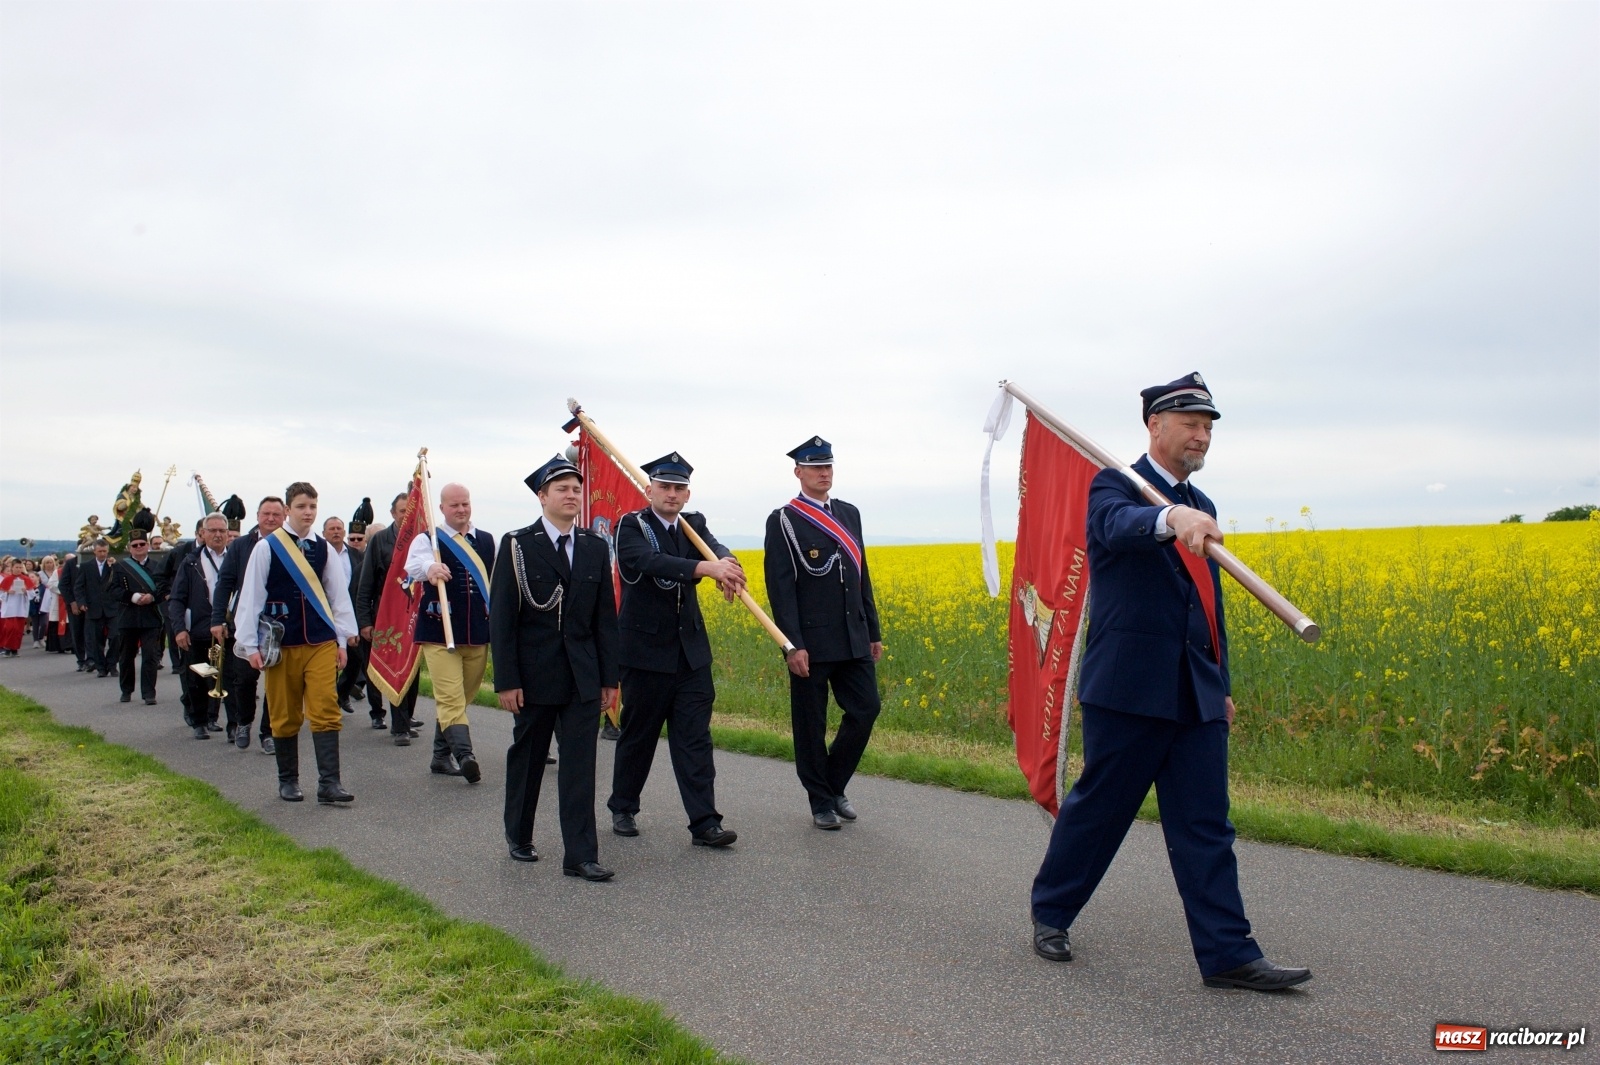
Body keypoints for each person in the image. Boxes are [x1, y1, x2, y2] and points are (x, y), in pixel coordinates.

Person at [1029, 373, 1311, 993]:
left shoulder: (1202, 506)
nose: (1201, 434)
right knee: (1102, 811)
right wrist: (1168, 517)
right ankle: (1051, 911)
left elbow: (1209, 606)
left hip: (1196, 691)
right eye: (1189, 422)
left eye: (1208, 425)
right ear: (1154, 425)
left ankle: (1229, 955)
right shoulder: (1112, 486)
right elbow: (1112, 528)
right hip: (1129, 690)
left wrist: (1223, 683)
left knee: (1206, 825)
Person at [490, 454, 619, 880]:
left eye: (576, 489)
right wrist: (507, 680)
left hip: (582, 676)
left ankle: (581, 855)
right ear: (542, 496)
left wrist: (609, 679)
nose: (571, 495)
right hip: (534, 676)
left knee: (580, 766)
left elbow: (604, 620)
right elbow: (503, 620)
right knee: (528, 759)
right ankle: (519, 834)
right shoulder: (518, 545)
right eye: (561, 488)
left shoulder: (595, 547)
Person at [607, 453, 743, 848]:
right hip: (645, 654)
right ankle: (624, 806)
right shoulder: (631, 525)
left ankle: (705, 822)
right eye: (664, 487)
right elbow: (646, 561)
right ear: (649, 490)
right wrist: (706, 570)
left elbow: (714, 547)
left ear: (687, 494)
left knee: (695, 739)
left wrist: (727, 563)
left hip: (691, 655)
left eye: (678, 488)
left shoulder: (693, 525)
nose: (671, 494)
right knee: (639, 735)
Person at [763, 436, 884, 829]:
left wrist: (873, 630)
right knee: (811, 725)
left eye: (828, 466)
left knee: (866, 710)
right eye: (816, 467)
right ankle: (820, 801)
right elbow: (781, 589)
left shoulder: (849, 513)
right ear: (799, 472)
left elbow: (861, 576)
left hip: (853, 636)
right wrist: (791, 645)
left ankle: (832, 785)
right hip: (811, 644)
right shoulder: (784, 519)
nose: (824, 473)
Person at [234, 481, 359, 804]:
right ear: (288, 510)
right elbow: (251, 597)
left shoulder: (323, 548)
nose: (308, 513)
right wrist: (249, 645)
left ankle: (329, 784)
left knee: (325, 708)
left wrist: (343, 640)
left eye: (313, 507)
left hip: (320, 640)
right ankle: (288, 780)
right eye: (302, 506)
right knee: (285, 713)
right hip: (281, 643)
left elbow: (337, 596)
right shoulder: (267, 547)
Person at [404, 482, 494, 782]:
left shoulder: (485, 540)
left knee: (462, 697)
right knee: (450, 697)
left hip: (477, 631)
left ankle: (440, 757)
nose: (461, 509)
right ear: (441, 508)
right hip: (439, 631)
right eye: (454, 505)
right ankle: (465, 756)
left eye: (465, 503)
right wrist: (430, 567)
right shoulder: (429, 539)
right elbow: (413, 566)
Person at [211, 497, 287, 753]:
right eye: (266, 513)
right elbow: (225, 584)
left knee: (276, 682)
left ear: (284, 516)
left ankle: (268, 732)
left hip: (280, 623)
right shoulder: (241, 545)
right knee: (243, 679)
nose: (271, 519)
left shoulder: (292, 546)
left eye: (276, 514)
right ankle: (243, 722)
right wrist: (217, 619)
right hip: (247, 622)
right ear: (257, 515)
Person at [357, 492, 423, 745]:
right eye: (402, 511)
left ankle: (406, 719)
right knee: (395, 669)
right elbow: (366, 584)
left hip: (414, 616)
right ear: (394, 513)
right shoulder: (380, 541)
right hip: (386, 618)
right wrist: (364, 621)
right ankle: (399, 727)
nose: (407, 515)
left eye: (411, 511)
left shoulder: (423, 540)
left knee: (413, 670)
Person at [169, 513, 230, 740]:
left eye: (221, 531)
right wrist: (179, 629)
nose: (217, 535)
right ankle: (199, 721)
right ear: (202, 534)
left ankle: (214, 718)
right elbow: (176, 599)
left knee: (221, 676)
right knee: (197, 676)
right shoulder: (191, 562)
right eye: (212, 530)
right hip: (197, 630)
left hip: (227, 630)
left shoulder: (235, 558)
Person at [108, 528, 169, 705]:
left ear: (148, 545)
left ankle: (149, 693)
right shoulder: (120, 567)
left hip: (151, 617)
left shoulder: (157, 566)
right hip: (128, 617)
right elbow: (113, 589)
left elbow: (164, 588)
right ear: (130, 547)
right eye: (135, 545)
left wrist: (152, 597)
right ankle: (126, 690)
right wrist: (132, 597)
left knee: (150, 656)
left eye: (142, 544)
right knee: (126, 656)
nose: (139, 547)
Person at [74, 539, 119, 676]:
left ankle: (112, 664)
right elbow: (79, 586)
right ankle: (101, 667)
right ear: (94, 551)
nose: (102, 554)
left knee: (115, 636)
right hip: (93, 608)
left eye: (104, 551)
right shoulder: (86, 567)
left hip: (112, 608)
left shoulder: (113, 565)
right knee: (96, 640)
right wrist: (81, 602)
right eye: (99, 551)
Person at [0, 559, 36, 656]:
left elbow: (32, 594)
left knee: (18, 630)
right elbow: (1, 593)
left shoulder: (26, 579)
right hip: (9, 607)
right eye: (16, 567)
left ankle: (15, 649)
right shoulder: (7, 579)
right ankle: (7, 647)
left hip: (21, 607)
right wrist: (7, 592)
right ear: (12, 568)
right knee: (11, 628)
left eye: (20, 567)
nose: (18, 569)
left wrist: (26, 591)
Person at [59, 549, 86, 668]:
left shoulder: (95, 562)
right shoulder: (71, 563)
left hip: (92, 604)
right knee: (77, 632)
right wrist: (72, 602)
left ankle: (93, 659)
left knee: (93, 633)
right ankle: (81, 659)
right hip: (74, 604)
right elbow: (63, 585)